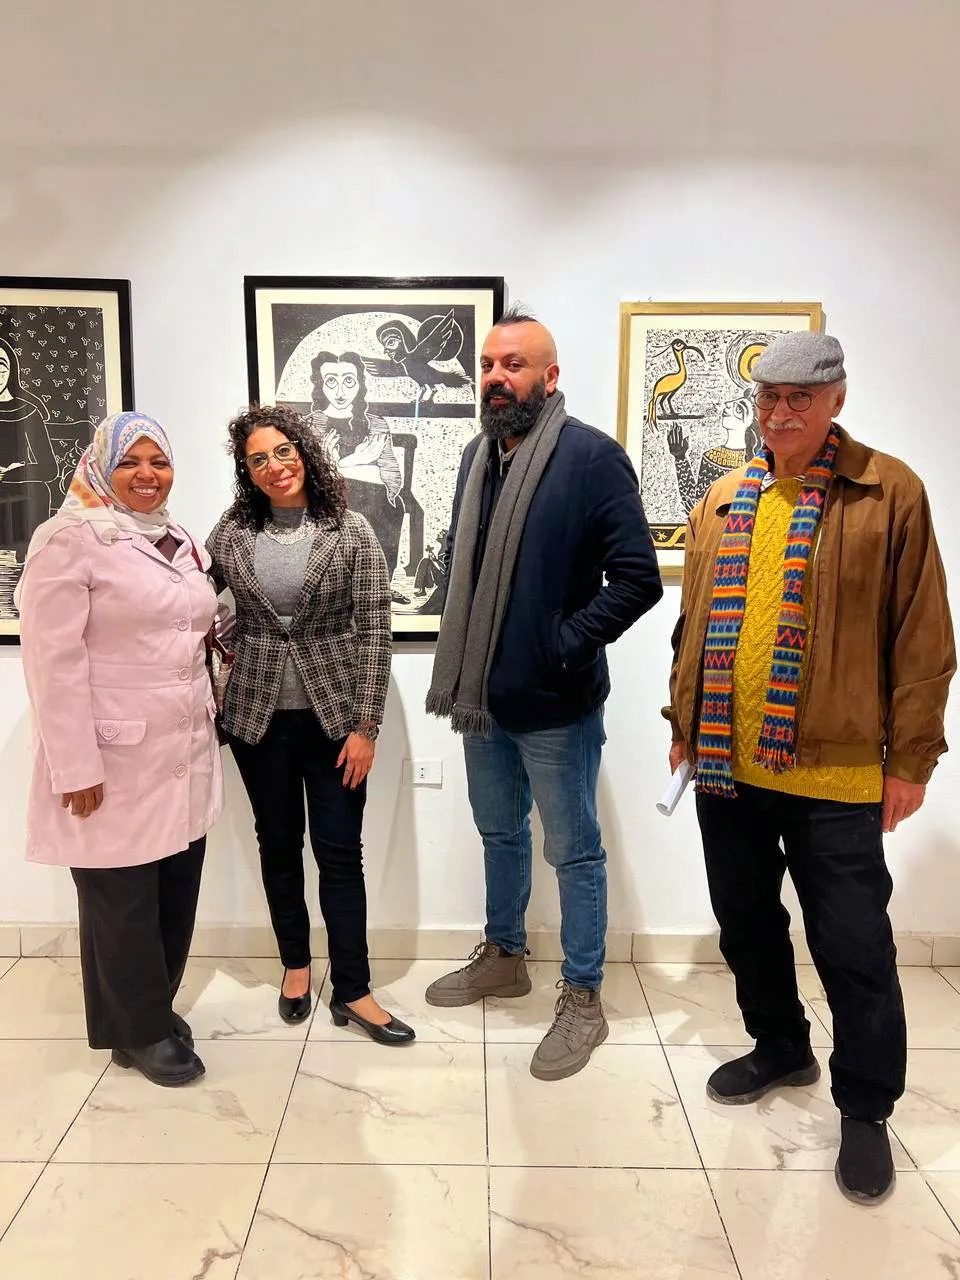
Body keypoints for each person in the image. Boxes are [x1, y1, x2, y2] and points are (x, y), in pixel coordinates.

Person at [665, 331, 955, 1204]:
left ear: (836, 399)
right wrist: (684, 720)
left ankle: (865, 1108)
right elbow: (693, 622)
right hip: (728, 764)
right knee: (746, 922)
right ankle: (781, 1046)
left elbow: (923, 636)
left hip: (835, 771)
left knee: (853, 945)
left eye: (800, 397)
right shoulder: (725, 496)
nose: (781, 412)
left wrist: (911, 760)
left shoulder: (888, 490)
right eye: (769, 397)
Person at [424, 306, 663, 1080]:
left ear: (550, 376)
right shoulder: (477, 457)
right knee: (499, 833)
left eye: (514, 365)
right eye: (488, 365)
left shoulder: (592, 458)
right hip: (481, 699)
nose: (496, 377)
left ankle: (584, 994)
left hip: (557, 705)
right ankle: (505, 956)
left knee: (574, 852)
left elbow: (638, 580)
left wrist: (561, 644)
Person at [17, 411, 221, 1087]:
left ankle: (143, 1011)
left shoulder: (180, 539)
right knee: (122, 899)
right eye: (130, 462)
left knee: (173, 890)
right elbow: (52, 664)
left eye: (158, 461)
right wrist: (74, 765)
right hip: (111, 757)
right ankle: (141, 1033)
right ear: (101, 468)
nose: (146, 475)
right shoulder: (68, 540)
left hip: (183, 750)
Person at [206, 404, 414, 1045]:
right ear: (247, 472)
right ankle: (295, 966)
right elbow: (192, 603)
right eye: (258, 459)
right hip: (257, 719)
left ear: (305, 452)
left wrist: (366, 726)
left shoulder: (350, 530)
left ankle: (354, 988)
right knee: (277, 845)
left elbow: (375, 631)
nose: (275, 466)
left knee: (339, 854)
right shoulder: (230, 532)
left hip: (335, 722)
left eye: (283, 451)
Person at [306, 350, 409, 604]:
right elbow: (307, 478)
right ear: (320, 384)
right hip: (326, 500)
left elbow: (392, 477)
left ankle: (380, 585)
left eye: (349, 380)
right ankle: (339, 590)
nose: (340, 390)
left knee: (390, 504)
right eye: (331, 381)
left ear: (360, 384)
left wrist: (335, 466)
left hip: (374, 498)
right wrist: (354, 461)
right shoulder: (309, 425)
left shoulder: (376, 424)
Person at [0, 335, 60, 561]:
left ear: (11, 370)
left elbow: (49, 468)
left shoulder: (27, 412)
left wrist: (11, 472)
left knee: (37, 490)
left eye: (1, 365)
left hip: (20, 487)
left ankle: (31, 557)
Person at [667, 394, 762, 514]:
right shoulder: (711, 457)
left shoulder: (756, 461)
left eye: (738, 409)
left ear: (750, 421)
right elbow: (696, 504)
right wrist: (680, 458)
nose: (727, 406)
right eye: (731, 403)